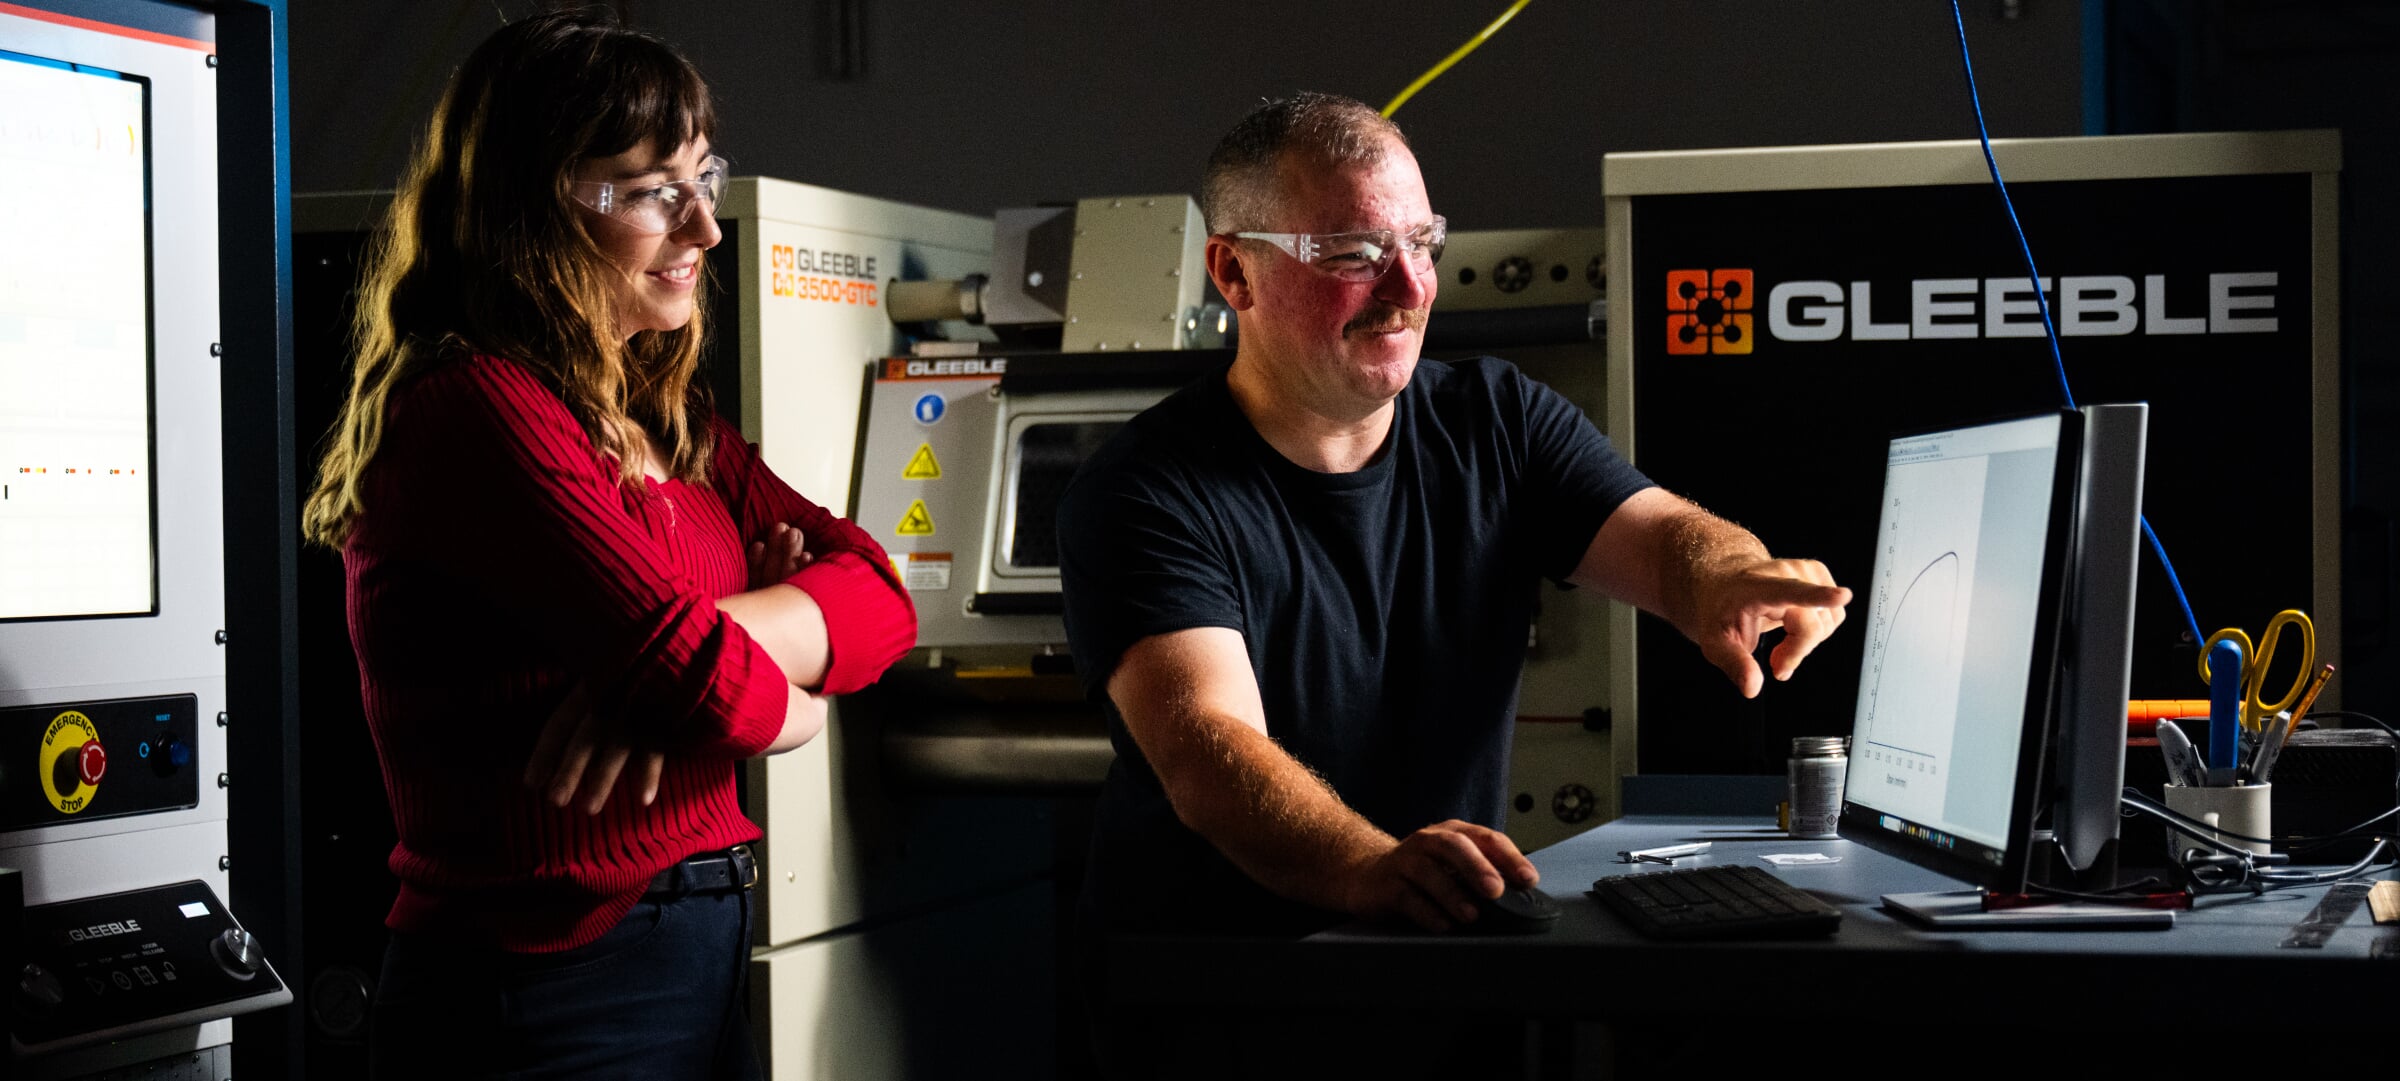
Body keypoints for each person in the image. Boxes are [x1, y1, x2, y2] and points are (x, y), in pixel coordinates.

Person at [1056, 93, 1850, 1072]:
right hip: (1226, 1005)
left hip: (1436, 976)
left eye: (1422, 242)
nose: (1408, 286)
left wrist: (1729, 573)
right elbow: (1209, 749)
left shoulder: (1496, 420)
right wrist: (1369, 865)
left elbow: (1663, 535)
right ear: (1235, 271)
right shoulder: (1146, 488)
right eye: (1352, 253)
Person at [299, 12, 913, 1079]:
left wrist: (710, 637)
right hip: (543, 973)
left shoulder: (666, 424)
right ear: (532, 214)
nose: (704, 229)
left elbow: (881, 593)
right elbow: (698, 687)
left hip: (692, 933)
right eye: (650, 192)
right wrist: (794, 706)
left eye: (703, 178)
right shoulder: (477, 407)